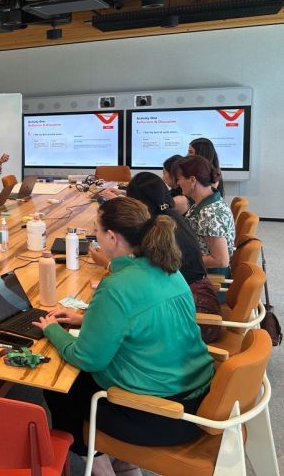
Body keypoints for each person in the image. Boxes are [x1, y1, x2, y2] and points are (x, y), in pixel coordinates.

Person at [34, 197, 214, 463]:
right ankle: (121, 465)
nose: (94, 236)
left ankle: (96, 460)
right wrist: (89, 320)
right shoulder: (168, 268)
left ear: (112, 237)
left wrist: (52, 329)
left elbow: (87, 358)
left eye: (96, 230)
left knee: (58, 385)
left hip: (159, 414)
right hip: (197, 398)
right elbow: (144, 318)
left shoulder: (116, 286)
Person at [89, 172, 222, 342]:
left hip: (194, 315)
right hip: (186, 302)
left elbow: (144, 281)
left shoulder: (157, 234)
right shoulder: (166, 220)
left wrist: (109, 264)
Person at [173, 155, 235, 276]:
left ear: (192, 180)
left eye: (179, 178)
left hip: (205, 279)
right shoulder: (207, 201)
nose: (177, 183)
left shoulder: (210, 213)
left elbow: (221, 261)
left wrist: (177, 261)